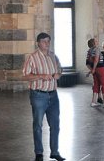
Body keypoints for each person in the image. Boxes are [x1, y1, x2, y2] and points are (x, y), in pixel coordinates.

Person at [24, 32, 65, 161]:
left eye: (48, 41)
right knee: (38, 125)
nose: (47, 44)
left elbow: (60, 69)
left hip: (53, 96)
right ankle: (39, 153)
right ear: (38, 43)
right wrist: (41, 76)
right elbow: (25, 76)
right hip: (38, 95)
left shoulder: (53, 56)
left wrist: (58, 74)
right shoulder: (32, 57)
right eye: (44, 41)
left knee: (55, 124)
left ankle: (54, 152)